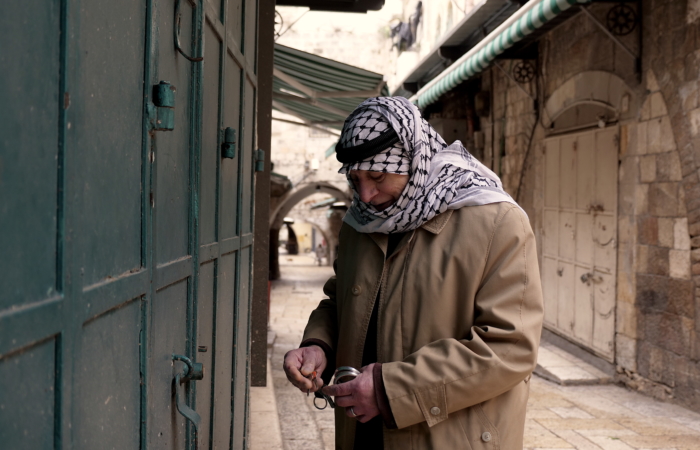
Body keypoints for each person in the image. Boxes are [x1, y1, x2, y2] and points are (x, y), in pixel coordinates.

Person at [283, 97, 543, 449]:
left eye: (377, 176)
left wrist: (390, 391)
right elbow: (340, 297)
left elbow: (510, 347)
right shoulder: (359, 222)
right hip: (363, 434)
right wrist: (319, 346)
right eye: (355, 179)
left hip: (448, 437)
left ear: (415, 159)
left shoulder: (497, 222)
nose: (366, 194)